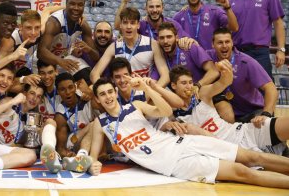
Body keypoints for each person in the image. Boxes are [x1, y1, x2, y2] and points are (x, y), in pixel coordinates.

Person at [89, 78, 289, 189]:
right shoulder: (100, 123)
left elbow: (166, 112)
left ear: (116, 92)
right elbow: (92, 156)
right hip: (176, 164)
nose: (107, 97)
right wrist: (93, 163)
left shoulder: (136, 105)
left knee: (252, 156)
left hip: (183, 142)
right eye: (102, 94)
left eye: (109, 92)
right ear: (97, 99)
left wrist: (147, 90)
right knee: (242, 172)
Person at [169, 64, 287, 155]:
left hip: (242, 132)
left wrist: (226, 70)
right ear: (174, 86)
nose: (189, 86)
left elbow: (225, 82)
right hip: (229, 151)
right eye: (183, 83)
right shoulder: (171, 113)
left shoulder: (202, 93)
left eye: (190, 82)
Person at [207, 28, 277, 124]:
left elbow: (270, 87)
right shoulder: (207, 58)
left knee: (265, 125)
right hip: (225, 114)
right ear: (212, 44)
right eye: (220, 42)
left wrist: (267, 113)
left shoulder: (246, 62)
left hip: (252, 111)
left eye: (227, 42)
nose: (224, 46)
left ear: (232, 43)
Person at [230, 0, 286, 79]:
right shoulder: (231, 2)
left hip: (260, 54)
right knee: (238, 92)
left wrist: (281, 49)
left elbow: (278, 24)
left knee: (265, 92)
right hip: (237, 52)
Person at [91, 7, 169, 86]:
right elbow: (94, 74)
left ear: (138, 25)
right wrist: (106, 91)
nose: (128, 26)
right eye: (125, 23)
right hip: (123, 94)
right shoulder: (114, 47)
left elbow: (165, 76)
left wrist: (153, 92)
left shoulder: (152, 44)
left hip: (146, 92)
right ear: (120, 25)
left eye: (132, 23)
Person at [39, 72, 94, 174]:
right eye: (62, 89)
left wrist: (92, 94)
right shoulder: (60, 115)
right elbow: (61, 148)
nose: (68, 92)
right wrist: (66, 154)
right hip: (75, 141)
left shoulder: (88, 98)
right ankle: (76, 158)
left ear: (75, 87)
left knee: (96, 124)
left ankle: (72, 162)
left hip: (95, 139)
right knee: (93, 125)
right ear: (58, 92)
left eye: (70, 87)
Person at [38, 0, 98, 73]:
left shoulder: (83, 25)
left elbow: (96, 56)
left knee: (85, 73)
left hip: (63, 59)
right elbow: (41, 52)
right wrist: (60, 61)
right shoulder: (55, 23)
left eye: (80, 5)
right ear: (66, 4)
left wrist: (89, 50)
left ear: (84, 6)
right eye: (72, 4)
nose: (76, 8)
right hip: (45, 60)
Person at [173, 0, 239, 50]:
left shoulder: (215, 12)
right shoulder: (178, 17)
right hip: (188, 59)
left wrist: (227, 8)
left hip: (210, 59)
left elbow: (234, 28)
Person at [151, 22, 219, 90]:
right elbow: (154, 80)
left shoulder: (189, 47)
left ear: (177, 37)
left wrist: (197, 86)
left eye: (169, 37)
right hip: (176, 98)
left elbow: (214, 71)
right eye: (162, 38)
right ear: (158, 40)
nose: (165, 41)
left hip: (199, 95)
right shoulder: (159, 58)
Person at [116, 0, 189, 40]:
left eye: (158, 6)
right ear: (146, 9)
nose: (154, 10)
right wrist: (124, 1)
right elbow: (117, 26)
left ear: (162, 8)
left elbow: (187, 40)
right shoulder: (140, 25)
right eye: (151, 7)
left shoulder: (173, 24)